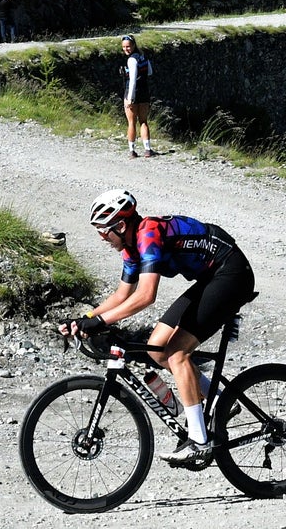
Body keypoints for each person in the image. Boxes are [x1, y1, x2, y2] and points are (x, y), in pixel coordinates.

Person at [65, 189, 255, 467]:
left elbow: (145, 296)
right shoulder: (131, 246)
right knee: (158, 350)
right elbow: (121, 295)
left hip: (231, 273)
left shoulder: (148, 234)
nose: (101, 237)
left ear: (120, 225)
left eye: (104, 231)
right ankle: (220, 400)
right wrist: (85, 318)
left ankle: (199, 441)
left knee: (177, 353)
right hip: (210, 277)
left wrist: (101, 322)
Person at [121, 34, 154, 158]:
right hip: (144, 91)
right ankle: (147, 149)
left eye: (128, 46)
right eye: (124, 47)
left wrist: (129, 98)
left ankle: (132, 151)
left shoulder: (131, 60)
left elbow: (133, 80)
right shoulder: (143, 56)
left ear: (133, 45)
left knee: (131, 122)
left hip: (132, 92)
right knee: (143, 121)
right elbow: (150, 72)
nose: (126, 49)